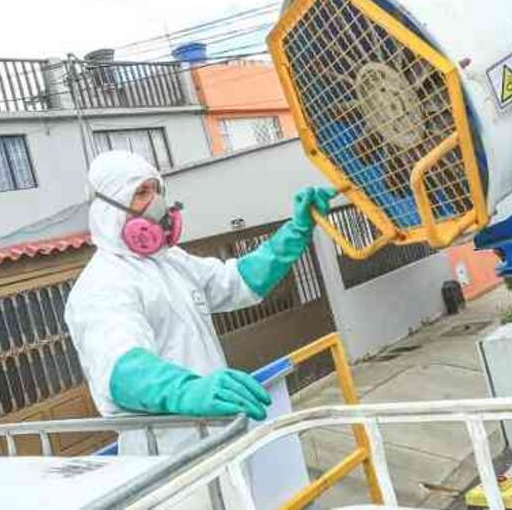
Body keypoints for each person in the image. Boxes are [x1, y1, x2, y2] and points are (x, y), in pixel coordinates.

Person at [64, 150, 334, 455]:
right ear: (108, 209)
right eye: (141, 193)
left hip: (218, 436)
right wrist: (189, 390)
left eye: (157, 190)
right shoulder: (102, 283)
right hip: (167, 456)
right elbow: (121, 368)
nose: (157, 204)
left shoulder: (171, 261)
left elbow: (237, 282)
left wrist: (296, 231)